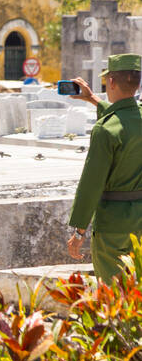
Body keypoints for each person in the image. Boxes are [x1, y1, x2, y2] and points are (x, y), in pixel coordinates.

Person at [68, 53, 142, 282]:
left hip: (113, 227)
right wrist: (92, 99)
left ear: (110, 82)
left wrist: (80, 230)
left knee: (114, 294)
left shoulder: (104, 130)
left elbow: (92, 183)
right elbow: (127, 118)